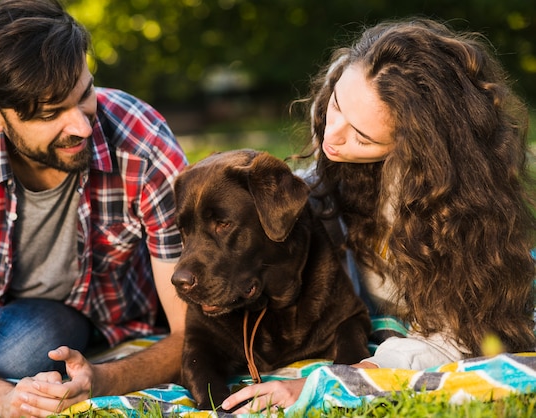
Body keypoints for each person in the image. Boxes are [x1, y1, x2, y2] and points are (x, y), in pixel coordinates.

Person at [222, 18, 536, 413]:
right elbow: (313, 191)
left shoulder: (452, 211)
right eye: (336, 105)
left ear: (416, 146)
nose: (331, 136)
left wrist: (337, 379)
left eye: (362, 136)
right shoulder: (349, 95)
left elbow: (455, 337)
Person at [0, 0, 187, 416]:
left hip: (88, 320)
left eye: (85, 93)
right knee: (24, 349)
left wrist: (101, 378)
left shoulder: (144, 146)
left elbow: (193, 332)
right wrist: (0, 396)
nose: (81, 127)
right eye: (51, 113)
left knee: (37, 343)